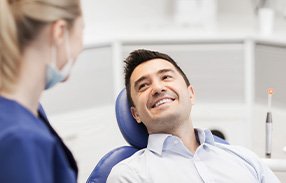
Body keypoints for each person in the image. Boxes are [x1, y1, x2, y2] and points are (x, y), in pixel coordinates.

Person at [107, 49, 280, 182]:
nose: (158, 88)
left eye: (166, 77)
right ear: (136, 114)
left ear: (191, 94)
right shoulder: (128, 176)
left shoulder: (244, 158)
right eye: (144, 86)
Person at [0, 0, 84, 182]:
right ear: (60, 32)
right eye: (81, 30)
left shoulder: (29, 114)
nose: (81, 47)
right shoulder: (21, 139)